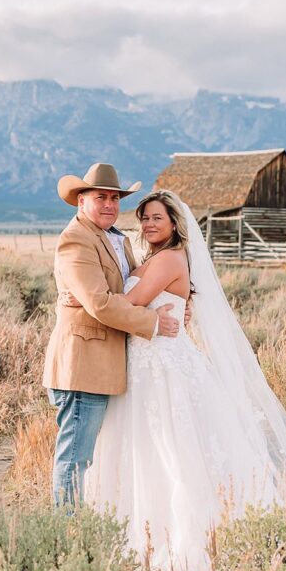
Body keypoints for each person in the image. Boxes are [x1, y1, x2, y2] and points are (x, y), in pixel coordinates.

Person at [71, 190, 286, 571]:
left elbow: (131, 302)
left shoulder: (168, 259)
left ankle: (184, 534)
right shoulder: (154, 258)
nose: (149, 224)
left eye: (157, 218)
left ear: (175, 223)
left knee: (172, 449)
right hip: (144, 365)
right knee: (149, 445)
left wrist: (86, 299)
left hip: (163, 369)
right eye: (144, 218)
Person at [42, 163, 181, 509]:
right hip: (83, 365)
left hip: (107, 366)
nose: (109, 204)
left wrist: (179, 304)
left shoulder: (115, 238)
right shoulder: (76, 240)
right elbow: (101, 304)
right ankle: (65, 530)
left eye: (115, 198)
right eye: (100, 197)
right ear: (81, 201)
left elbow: (121, 291)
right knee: (75, 457)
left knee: (93, 456)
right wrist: (152, 321)